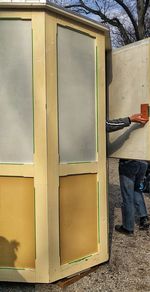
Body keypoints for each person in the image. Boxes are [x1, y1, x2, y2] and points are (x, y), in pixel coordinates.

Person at [107, 113, 150, 235]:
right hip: (143, 159)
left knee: (127, 195)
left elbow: (106, 125)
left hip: (129, 161)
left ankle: (128, 227)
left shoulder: (125, 113)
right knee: (137, 190)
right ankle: (143, 217)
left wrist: (129, 119)